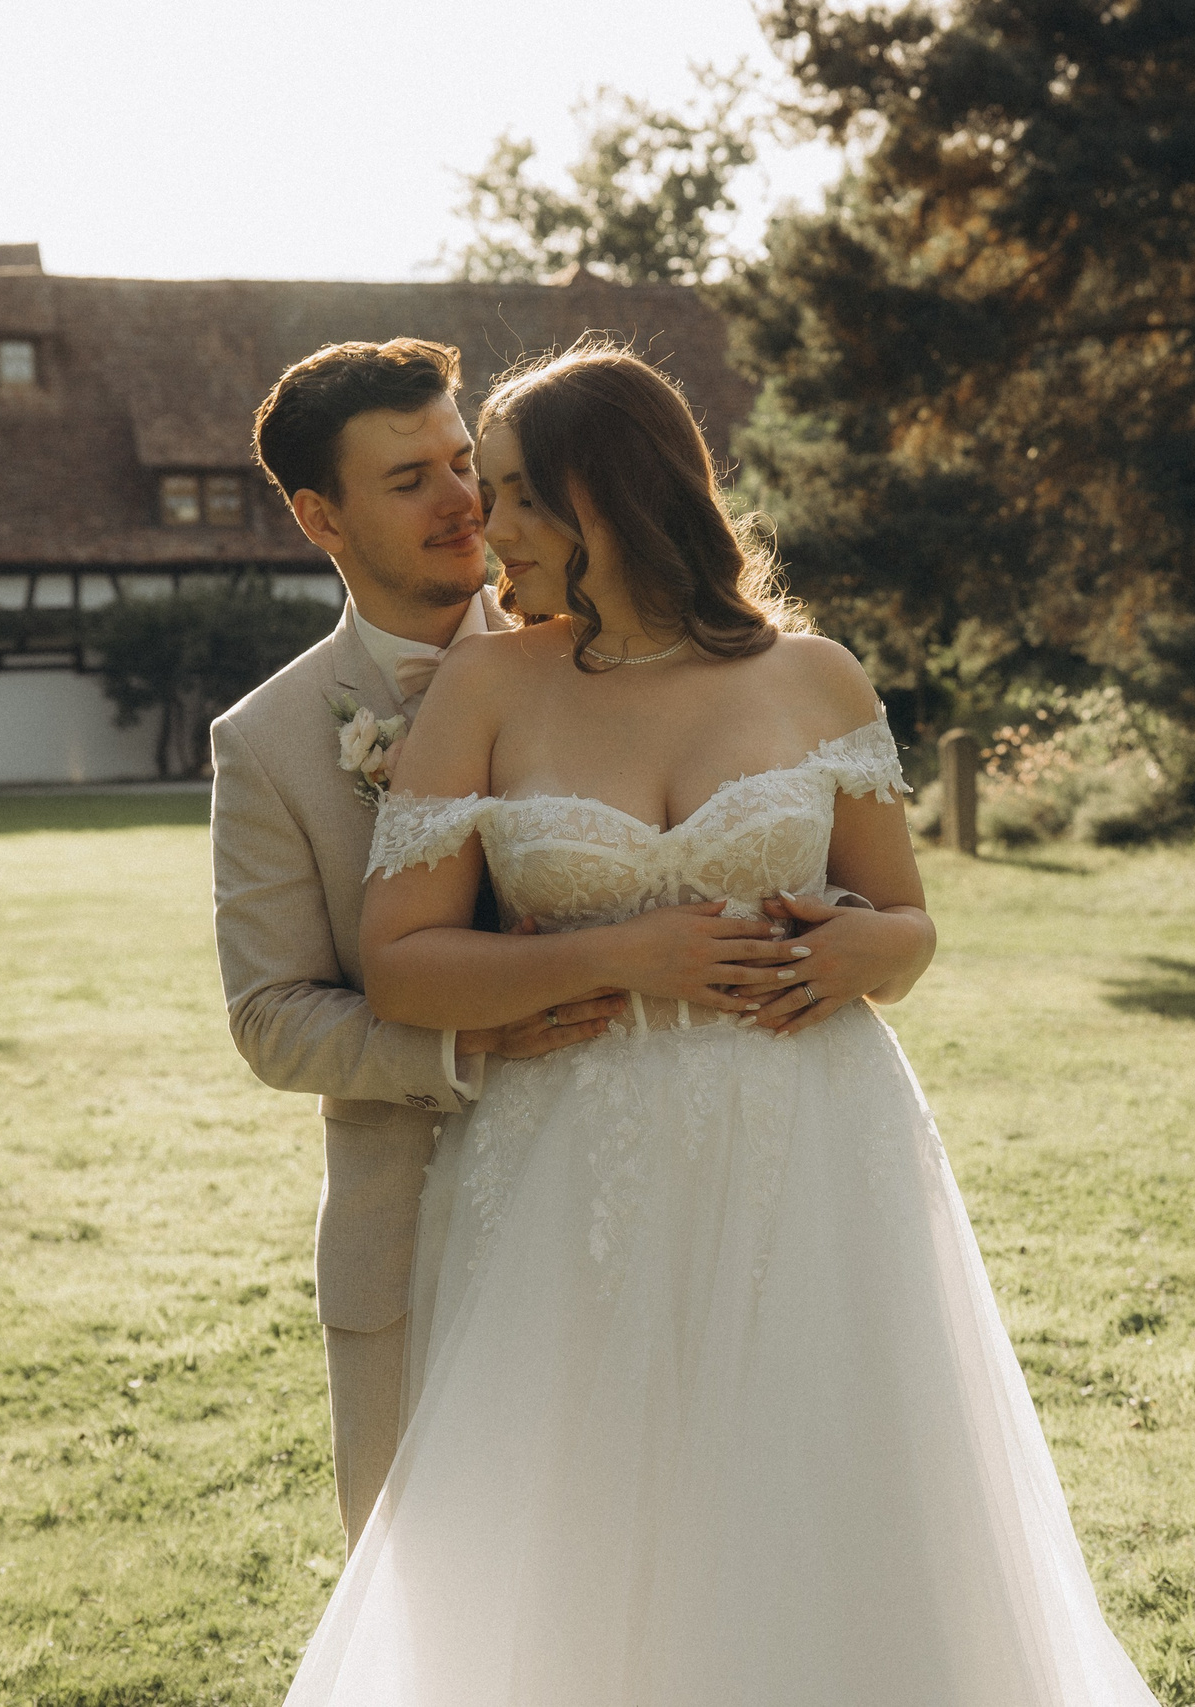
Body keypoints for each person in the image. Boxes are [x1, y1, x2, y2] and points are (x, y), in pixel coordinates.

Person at [283, 344, 1160, 1705]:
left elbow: (906, 923)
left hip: (812, 1146)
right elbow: (401, 964)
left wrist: (872, 946)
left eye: (516, 496)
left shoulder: (815, 676)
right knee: (587, 1515)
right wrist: (631, 949)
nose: (486, 527)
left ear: (609, 498)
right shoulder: (492, 689)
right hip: (581, 1159)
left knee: (826, 1491)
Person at [209, 338, 924, 1553]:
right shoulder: (277, 738)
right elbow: (274, 1012)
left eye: (468, 468)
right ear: (317, 515)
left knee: (797, 1537)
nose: (469, 506)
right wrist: (492, 1037)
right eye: (413, 481)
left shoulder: (760, 669)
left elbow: (891, 912)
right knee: (482, 1595)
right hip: (458, 1194)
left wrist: (861, 948)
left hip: (776, 1165)